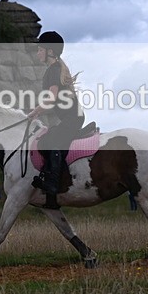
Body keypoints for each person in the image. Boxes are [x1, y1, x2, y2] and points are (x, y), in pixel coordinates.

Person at [27, 31, 84, 209]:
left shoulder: (53, 70)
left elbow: (51, 98)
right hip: (72, 117)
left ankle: (52, 182)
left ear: (49, 51)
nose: (37, 52)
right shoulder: (56, 68)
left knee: (49, 141)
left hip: (72, 119)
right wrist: (37, 111)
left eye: (40, 49)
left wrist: (34, 112)